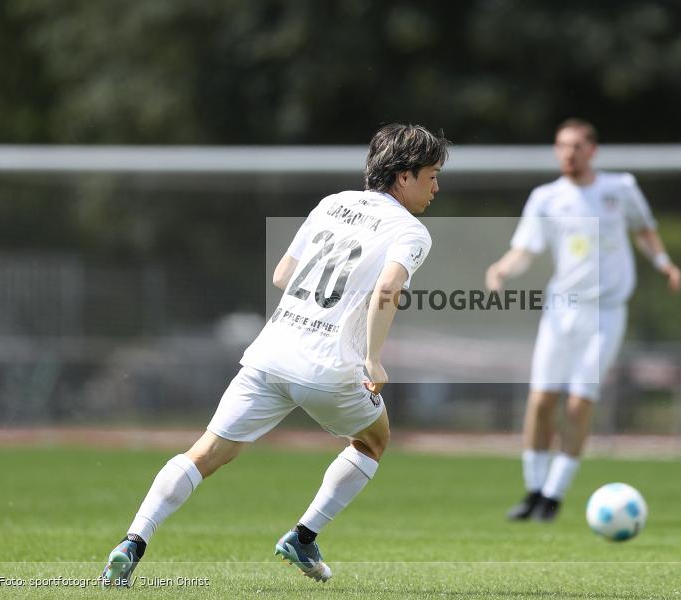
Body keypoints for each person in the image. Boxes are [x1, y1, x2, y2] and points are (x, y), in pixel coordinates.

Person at [99, 123, 449, 585]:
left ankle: (132, 542)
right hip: (328, 367)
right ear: (404, 176)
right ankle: (304, 537)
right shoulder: (411, 230)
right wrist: (373, 358)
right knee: (373, 441)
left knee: (204, 453)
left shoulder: (331, 204)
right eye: (431, 176)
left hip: (270, 354)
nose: (436, 187)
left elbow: (283, 275)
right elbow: (387, 289)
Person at [485, 118, 681, 522]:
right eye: (562, 146)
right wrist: (501, 269)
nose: (568, 153)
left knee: (578, 403)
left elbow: (644, 230)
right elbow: (525, 249)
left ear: (592, 150)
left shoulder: (619, 188)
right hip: (561, 309)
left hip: (605, 313)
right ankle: (533, 490)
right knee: (541, 400)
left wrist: (664, 263)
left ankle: (554, 496)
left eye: (576, 146)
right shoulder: (546, 198)